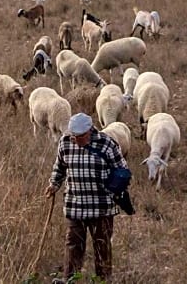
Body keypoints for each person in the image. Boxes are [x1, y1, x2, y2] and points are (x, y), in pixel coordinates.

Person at [45, 112, 130, 283]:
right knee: (73, 244)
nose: (76, 140)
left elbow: (123, 170)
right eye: (74, 136)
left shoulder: (107, 144)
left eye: (80, 136)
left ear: (90, 131)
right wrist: (54, 183)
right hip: (75, 205)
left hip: (101, 207)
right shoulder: (66, 143)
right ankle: (70, 279)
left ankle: (102, 280)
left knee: (102, 245)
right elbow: (60, 167)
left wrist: (115, 185)